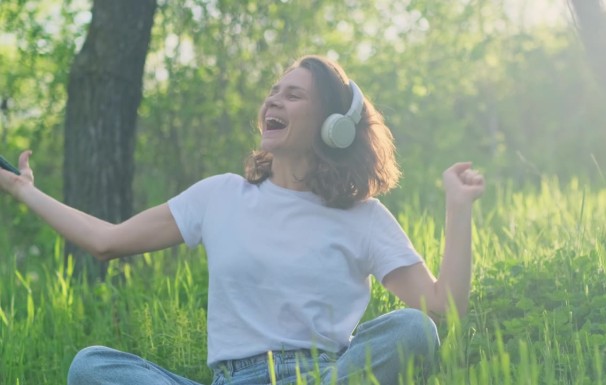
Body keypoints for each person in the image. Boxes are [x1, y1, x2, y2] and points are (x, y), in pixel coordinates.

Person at [0, 55, 485, 385]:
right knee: (92, 366)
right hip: (233, 377)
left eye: (293, 96)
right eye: (273, 93)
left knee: (413, 329)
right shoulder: (219, 196)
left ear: (332, 125)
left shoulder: (362, 216)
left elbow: (442, 307)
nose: (273, 101)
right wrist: (25, 190)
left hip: (321, 376)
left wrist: (457, 209)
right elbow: (105, 241)